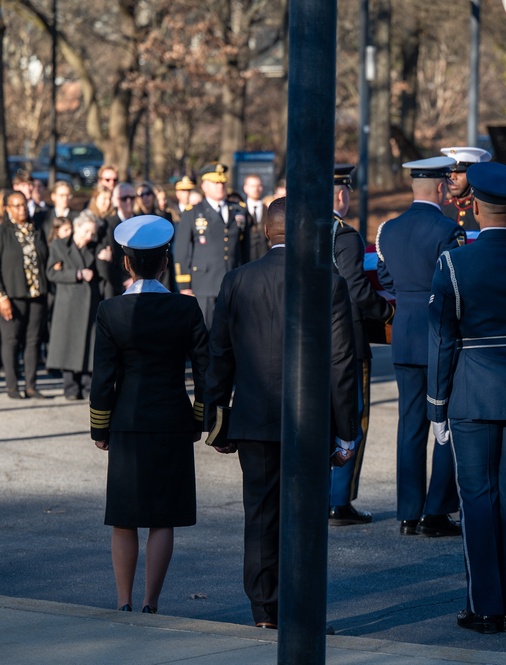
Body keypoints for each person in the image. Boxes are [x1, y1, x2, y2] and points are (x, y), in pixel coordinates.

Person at [203, 198, 357, 628]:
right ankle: (302, 605)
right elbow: (341, 364)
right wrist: (346, 431)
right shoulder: (328, 282)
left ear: (267, 232)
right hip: (308, 424)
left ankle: (264, 609)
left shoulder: (237, 280)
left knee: (261, 516)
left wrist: (216, 422)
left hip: (253, 420)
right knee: (305, 518)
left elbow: (220, 357)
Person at [426, 162, 506, 634]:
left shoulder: (454, 264)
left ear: (476, 206)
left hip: (473, 396)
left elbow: (442, 340)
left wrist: (436, 407)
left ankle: (484, 605)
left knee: (478, 499)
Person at [89, 214, 209, 614]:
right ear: (164, 262)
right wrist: (198, 418)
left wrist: (99, 428)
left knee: (124, 516)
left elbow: (104, 378)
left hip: (127, 420)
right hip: (172, 419)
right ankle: (150, 602)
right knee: (163, 517)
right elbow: (205, 371)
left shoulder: (110, 312)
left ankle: (123, 601)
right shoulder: (186, 311)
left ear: (126, 263)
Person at [375, 156, 464, 538]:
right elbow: (454, 282)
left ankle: (408, 512)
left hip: (405, 333)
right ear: (442, 188)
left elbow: (384, 278)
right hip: (439, 333)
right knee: (443, 420)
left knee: (410, 424)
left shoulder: (388, 230)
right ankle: (437, 511)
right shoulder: (447, 229)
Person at [329, 164, 394, 526]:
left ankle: (319, 495)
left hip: (308, 340)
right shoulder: (344, 235)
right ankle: (339, 500)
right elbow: (356, 287)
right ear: (341, 194)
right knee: (352, 417)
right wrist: (386, 312)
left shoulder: (298, 231)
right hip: (347, 342)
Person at [173, 163, 251, 328]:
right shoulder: (193, 212)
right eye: (215, 183)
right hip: (204, 284)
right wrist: (184, 285)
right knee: (206, 331)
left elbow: (245, 250)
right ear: (204, 186)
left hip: (233, 282)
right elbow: (182, 250)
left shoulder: (238, 211)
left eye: (222, 182)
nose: (220, 186)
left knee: (232, 334)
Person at [46, 215, 112, 400]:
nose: (89, 236)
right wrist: (77, 274)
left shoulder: (95, 247)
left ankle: (87, 385)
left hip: (90, 302)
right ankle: (70, 387)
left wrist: (104, 258)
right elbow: (51, 272)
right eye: (86, 232)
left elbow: (104, 271)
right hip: (67, 302)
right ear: (76, 228)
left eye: (92, 232)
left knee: (88, 345)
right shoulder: (60, 246)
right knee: (68, 344)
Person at [0, 192, 49, 399]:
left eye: (24, 205)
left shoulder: (35, 229)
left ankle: (31, 385)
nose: (22, 209)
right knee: (11, 340)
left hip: (37, 293)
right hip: (12, 295)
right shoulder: (3, 232)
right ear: (8, 209)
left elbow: (44, 256)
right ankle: (12, 387)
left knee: (33, 340)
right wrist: (1, 297)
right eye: (17, 206)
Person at [440, 146, 491, 232]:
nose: (452, 177)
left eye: (459, 172)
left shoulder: (487, 212)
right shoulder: (441, 210)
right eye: (449, 172)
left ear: (474, 175)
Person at [242, 174, 268, 260]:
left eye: (259, 186)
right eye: (252, 186)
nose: (256, 189)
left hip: (265, 258)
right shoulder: (240, 210)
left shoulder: (268, 210)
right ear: (245, 188)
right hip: (245, 259)